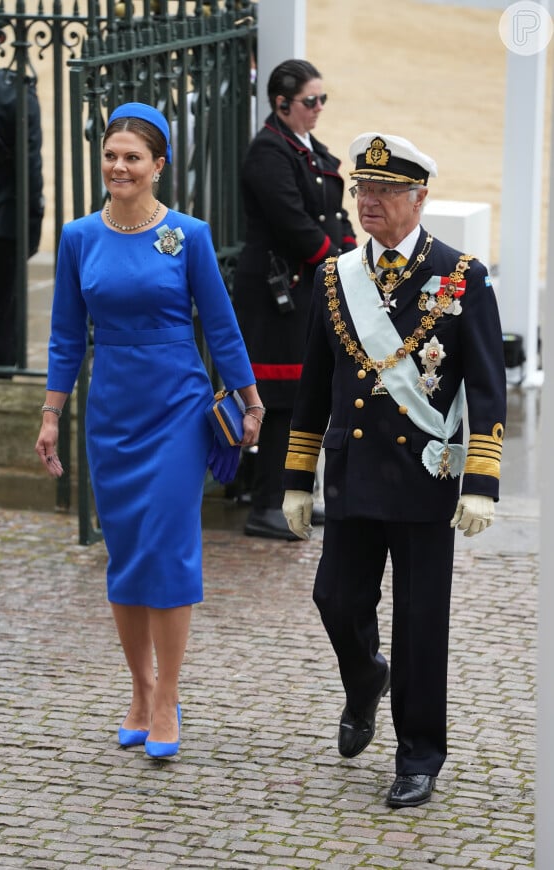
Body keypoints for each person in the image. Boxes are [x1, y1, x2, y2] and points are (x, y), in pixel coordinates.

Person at [282, 133, 506, 808]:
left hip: (423, 476)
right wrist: (296, 478)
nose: (367, 203)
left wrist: (484, 482)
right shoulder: (335, 277)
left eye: (382, 192)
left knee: (419, 623)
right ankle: (363, 679)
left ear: (419, 198)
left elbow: (489, 386)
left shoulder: (461, 276)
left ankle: (418, 755)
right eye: (360, 190)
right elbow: (315, 384)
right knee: (336, 600)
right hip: (353, 472)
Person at [35, 102, 264, 760]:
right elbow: (65, 337)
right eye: (111, 155)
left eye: (133, 157)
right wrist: (51, 414)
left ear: (158, 165)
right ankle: (138, 688)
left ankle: (168, 697)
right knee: (127, 553)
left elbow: (219, 326)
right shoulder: (79, 237)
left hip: (177, 411)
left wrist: (249, 401)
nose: (119, 166)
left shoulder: (186, 235)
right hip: (112, 412)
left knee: (169, 547)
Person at [233, 59, 357, 540]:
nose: (318, 108)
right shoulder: (269, 151)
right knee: (279, 401)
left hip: (305, 289)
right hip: (275, 293)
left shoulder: (309, 148)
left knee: (307, 396)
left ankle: (297, 496)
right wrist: (335, 259)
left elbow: (332, 213)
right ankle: (268, 504)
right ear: (282, 104)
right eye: (310, 101)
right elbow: (294, 224)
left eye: (322, 99)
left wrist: (350, 252)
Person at [0, 3, 44, 368]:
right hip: (0, 223)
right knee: (1, 319)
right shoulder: (13, 90)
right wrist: (31, 227)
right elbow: (30, 170)